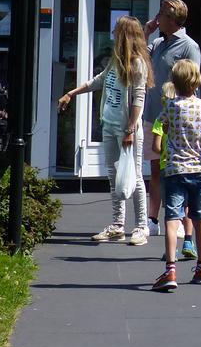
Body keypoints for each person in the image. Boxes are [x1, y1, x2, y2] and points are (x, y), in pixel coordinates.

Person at [58, 15, 152, 245]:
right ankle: (118, 225)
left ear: (125, 35)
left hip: (126, 129)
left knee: (135, 176)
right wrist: (72, 93)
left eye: (116, 30)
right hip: (109, 125)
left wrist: (130, 130)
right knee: (113, 176)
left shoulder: (137, 63)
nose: (112, 34)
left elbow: (139, 97)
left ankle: (141, 227)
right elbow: (99, 81)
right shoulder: (116, 60)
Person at [151, 59, 201, 292]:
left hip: (175, 170)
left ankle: (170, 270)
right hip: (198, 170)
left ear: (175, 82)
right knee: (200, 219)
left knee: (172, 218)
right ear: (196, 81)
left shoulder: (170, 107)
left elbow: (159, 140)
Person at [143, 0, 201, 257]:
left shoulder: (189, 46)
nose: (158, 18)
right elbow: (140, 63)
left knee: (180, 174)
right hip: (154, 116)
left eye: (162, 14)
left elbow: (194, 81)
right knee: (155, 169)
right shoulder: (158, 43)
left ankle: (181, 228)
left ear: (173, 19)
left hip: (175, 120)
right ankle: (152, 219)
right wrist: (146, 32)